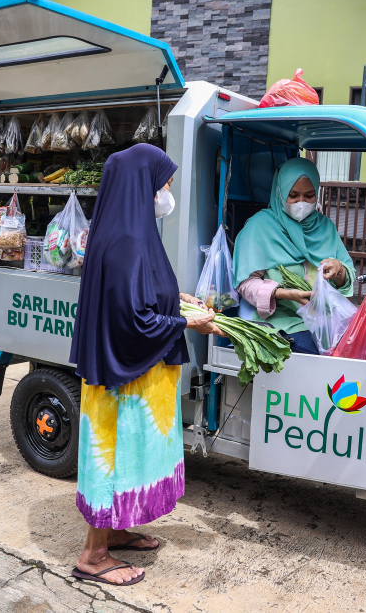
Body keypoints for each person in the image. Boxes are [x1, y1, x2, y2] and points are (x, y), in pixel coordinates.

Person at [68, 144, 221, 586]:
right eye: (164, 183)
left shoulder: (122, 230)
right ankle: (93, 557)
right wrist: (188, 323)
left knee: (124, 459)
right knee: (115, 459)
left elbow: (138, 296)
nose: (167, 192)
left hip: (127, 377)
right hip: (126, 381)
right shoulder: (129, 241)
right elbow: (133, 320)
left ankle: (113, 531)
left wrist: (179, 301)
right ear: (143, 185)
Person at [232, 157, 355, 354]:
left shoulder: (325, 227)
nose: (302, 202)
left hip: (326, 320)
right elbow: (245, 284)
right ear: (279, 192)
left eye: (309, 195)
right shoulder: (259, 227)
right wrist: (281, 293)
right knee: (313, 359)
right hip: (283, 321)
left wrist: (339, 269)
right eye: (294, 195)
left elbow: (348, 277)